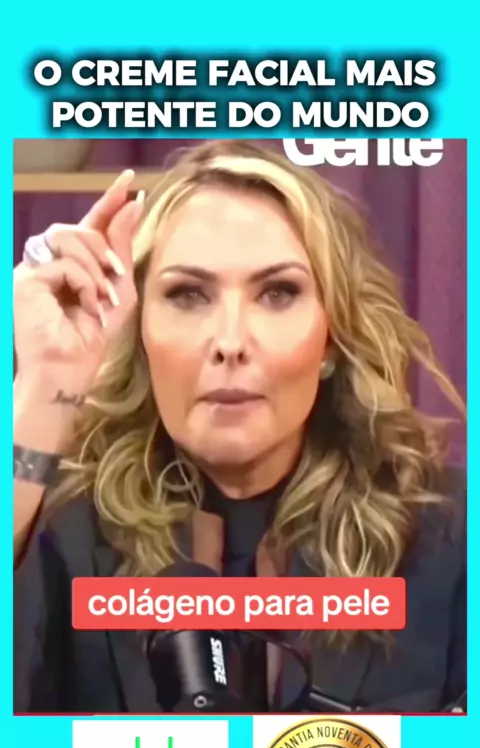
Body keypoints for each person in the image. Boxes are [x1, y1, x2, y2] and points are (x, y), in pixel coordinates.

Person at [14, 140, 466, 714]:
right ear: (140, 331)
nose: (230, 342)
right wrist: (44, 387)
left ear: (331, 339)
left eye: (277, 293)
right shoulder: (60, 531)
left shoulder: (451, 536)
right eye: (188, 294)